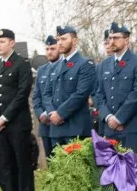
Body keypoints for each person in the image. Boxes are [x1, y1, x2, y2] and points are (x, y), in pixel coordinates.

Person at [0, 29, 36, 191]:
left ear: (12, 43)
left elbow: (22, 93)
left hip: (16, 123)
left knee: (22, 164)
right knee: (6, 164)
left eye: (2, 41)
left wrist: (4, 117)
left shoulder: (22, 63)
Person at [40, 24, 98, 154]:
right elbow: (47, 94)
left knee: (78, 172)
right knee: (59, 172)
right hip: (56, 129)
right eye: (58, 39)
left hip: (75, 128)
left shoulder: (85, 64)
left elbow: (81, 93)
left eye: (64, 39)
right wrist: (51, 113)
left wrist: (60, 114)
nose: (60, 42)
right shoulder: (55, 67)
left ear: (74, 40)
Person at [95, 22, 137, 157]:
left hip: (132, 127)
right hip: (110, 128)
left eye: (116, 38)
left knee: (133, 172)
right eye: (110, 38)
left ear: (126, 40)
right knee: (112, 173)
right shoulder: (103, 65)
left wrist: (119, 118)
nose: (112, 41)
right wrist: (108, 117)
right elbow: (98, 94)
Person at [31, 34, 60, 154]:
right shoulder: (42, 70)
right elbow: (36, 96)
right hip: (45, 124)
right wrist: (41, 114)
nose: (49, 52)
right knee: (50, 162)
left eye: (52, 49)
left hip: (60, 122)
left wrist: (52, 114)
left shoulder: (64, 67)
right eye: (47, 49)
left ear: (59, 48)